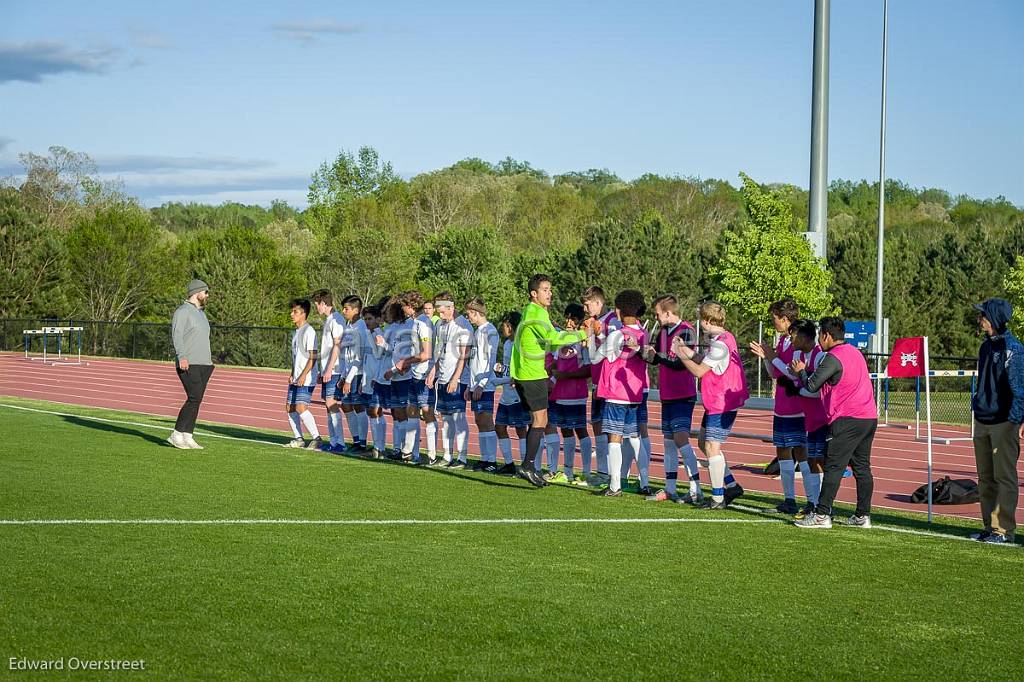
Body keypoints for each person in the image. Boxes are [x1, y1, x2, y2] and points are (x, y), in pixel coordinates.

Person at [791, 316, 877, 529]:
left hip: (846, 418)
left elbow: (811, 385)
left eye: (820, 336)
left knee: (833, 467)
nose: (819, 341)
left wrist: (800, 371)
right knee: (862, 468)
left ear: (827, 335)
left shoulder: (832, 357)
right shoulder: (855, 353)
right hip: (868, 417)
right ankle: (862, 515)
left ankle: (821, 515)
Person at [510, 274, 589, 487]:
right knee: (540, 421)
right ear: (533, 294)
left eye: (550, 289)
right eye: (545, 289)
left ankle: (530, 466)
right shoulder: (535, 312)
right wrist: (582, 334)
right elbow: (553, 340)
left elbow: (551, 340)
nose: (549, 293)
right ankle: (527, 466)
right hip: (531, 373)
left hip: (530, 372)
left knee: (540, 420)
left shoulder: (535, 311)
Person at [672, 301, 747, 509]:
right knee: (704, 441)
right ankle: (731, 485)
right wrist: (684, 349)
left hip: (721, 402)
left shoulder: (719, 344)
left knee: (712, 447)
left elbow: (699, 371)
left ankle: (717, 497)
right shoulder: (725, 337)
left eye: (701, 321)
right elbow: (702, 359)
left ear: (707, 321)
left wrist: (679, 354)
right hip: (717, 400)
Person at [968, 298, 1023, 544]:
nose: (980, 319)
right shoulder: (985, 347)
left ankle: (1004, 531)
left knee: (1004, 477)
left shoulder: (1014, 349)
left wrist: (1016, 421)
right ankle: (990, 528)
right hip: (983, 419)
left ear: (994, 318)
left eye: (983, 315)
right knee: (985, 478)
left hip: (1004, 422)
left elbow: (1020, 390)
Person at [749, 298, 809, 514]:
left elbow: (793, 373)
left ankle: (811, 502)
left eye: (774, 318)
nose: (772, 322)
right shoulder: (783, 340)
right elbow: (775, 372)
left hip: (797, 405)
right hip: (782, 405)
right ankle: (789, 500)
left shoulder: (798, 340)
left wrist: (771, 357)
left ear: (785, 319)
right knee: (783, 450)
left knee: (802, 452)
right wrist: (766, 358)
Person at [643, 294, 703, 504]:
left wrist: (657, 356)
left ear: (668, 312)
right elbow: (657, 359)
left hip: (682, 394)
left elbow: (679, 363)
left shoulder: (686, 331)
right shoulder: (663, 331)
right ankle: (670, 488)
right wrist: (642, 352)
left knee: (680, 440)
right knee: (668, 442)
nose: (656, 318)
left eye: (658, 314)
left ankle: (696, 488)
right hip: (667, 394)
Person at [591, 290, 648, 497]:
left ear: (619, 310)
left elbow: (595, 359)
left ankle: (615, 485)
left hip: (616, 393)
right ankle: (645, 481)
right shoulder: (643, 333)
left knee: (614, 440)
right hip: (635, 393)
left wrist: (593, 338)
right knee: (635, 438)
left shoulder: (617, 334)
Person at [545, 303, 592, 484]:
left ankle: (586, 472)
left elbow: (588, 370)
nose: (568, 322)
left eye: (573, 318)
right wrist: (552, 377)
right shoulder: (562, 338)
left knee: (581, 430)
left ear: (580, 321)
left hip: (576, 393)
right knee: (565, 430)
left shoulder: (583, 342)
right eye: (567, 317)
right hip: (559, 393)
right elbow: (557, 363)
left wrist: (565, 375)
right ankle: (567, 472)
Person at [427, 292, 474, 468]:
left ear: (451, 307)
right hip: (443, 377)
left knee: (458, 417)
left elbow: (464, 356)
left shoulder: (463, 325)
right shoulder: (440, 324)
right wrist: (434, 370)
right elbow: (440, 352)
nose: (440, 315)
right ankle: (447, 455)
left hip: (458, 379)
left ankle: (462, 457)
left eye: (442, 311)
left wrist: (455, 379)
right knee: (446, 418)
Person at [580, 285, 621, 486]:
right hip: (597, 382)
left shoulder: (612, 321)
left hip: (609, 384)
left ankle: (615, 475)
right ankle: (603, 472)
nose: (586, 309)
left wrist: (594, 335)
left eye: (588, 305)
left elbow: (613, 350)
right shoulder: (595, 322)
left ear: (598, 302)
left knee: (610, 429)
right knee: (597, 426)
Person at [169, 279, 213, 450]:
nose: (207, 295)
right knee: (194, 397)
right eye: (206, 292)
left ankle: (187, 435)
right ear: (197, 292)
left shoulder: (201, 313)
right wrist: (182, 356)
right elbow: (177, 335)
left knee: (197, 400)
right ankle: (176, 433)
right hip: (189, 363)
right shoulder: (182, 312)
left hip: (205, 364)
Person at [788, 319, 826, 519]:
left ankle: (822, 506)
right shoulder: (797, 355)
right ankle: (813, 503)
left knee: (820, 461)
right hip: (809, 417)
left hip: (823, 418)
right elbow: (793, 378)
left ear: (803, 336)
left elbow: (816, 391)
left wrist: (800, 380)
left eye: (792, 335)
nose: (790, 340)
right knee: (811, 460)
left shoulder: (820, 356)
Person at [398, 291, 437, 465]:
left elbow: (427, 353)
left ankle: (432, 455)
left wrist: (406, 361)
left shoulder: (424, 323)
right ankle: (409, 452)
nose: (402, 309)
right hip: (415, 373)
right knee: (411, 410)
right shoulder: (415, 322)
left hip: (424, 374)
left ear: (411, 306)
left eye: (404, 305)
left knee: (427, 413)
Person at [465, 298, 501, 472]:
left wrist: (481, 384)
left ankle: (492, 460)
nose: (468, 317)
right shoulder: (478, 331)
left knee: (486, 420)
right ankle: (484, 458)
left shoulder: (490, 331)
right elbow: (473, 362)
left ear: (477, 313)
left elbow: (490, 361)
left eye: (469, 313)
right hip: (475, 384)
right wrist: (469, 386)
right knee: (479, 420)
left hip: (484, 385)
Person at [494, 312, 529, 475]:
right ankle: (509, 463)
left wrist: (503, 380)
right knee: (500, 427)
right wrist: (500, 370)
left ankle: (524, 465)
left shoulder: (520, 344)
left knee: (520, 429)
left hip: (516, 393)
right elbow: (509, 368)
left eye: (505, 325)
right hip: (506, 393)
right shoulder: (508, 343)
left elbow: (519, 370)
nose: (502, 328)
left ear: (510, 326)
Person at [285, 298, 323, 450]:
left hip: (306, 377)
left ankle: (316, 438)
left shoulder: (309, 331)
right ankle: (299, 438)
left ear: (304, 314)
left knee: (301, 406)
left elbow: (313, 356)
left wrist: (302, 375)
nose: (291, 314)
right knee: (290, 407)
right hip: (297, 376)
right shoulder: (297, 332)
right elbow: (296, 357)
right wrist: (293, 373)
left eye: (295, 311)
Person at [311, 289, 346, 452]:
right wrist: (323, 369)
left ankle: (340, 443)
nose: (316, 308)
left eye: (316, 304)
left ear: (323, 303)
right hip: (328, 369)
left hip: (335, 370)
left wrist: (329, 369)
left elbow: (337, 346)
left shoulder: (336, 319)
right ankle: (333, 442)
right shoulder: (329, 320)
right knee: (328, 404)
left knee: (332, 404)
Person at [337, 295, 370, 452]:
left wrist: (349, 379)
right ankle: (356, 440)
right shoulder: (348, 326)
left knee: (358, 406)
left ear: (356, 310)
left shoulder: (361, 327)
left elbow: (359, 357)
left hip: (358, 373)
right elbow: (346, 354)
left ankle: (362, 443)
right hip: (349, 373)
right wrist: (343, 376)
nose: (344, 311)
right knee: (346, 405)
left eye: (347, 308)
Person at [361, 304, 390, 459]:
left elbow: (379, 357)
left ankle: (380, 447)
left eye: (370, 319)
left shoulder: (379, 334)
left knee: (376, 412)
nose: (367, 322)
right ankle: (376, 447)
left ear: (378, 319)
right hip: (368, 378)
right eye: (365, 319)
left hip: (376, 379)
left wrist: (374, 378)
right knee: (371, 412)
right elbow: (366, 359)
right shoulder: (368, 334)